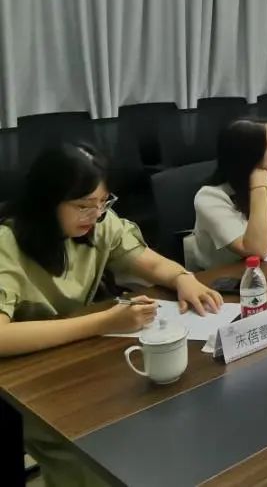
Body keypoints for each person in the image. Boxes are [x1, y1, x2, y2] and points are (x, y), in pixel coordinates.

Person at [0, 143, 222, 485]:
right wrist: (103, 322)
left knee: (157, 426)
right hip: (28, 380)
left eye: (103, 202)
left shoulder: (99, 224)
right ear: (46, 200)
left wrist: (183, 278)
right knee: (95, 462)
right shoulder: (7, 245)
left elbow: (149, 263)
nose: (95, 214)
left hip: (83, 361)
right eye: (83, 205)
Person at [190, 118, 267, 270]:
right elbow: (256, 251)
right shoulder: (210, 198)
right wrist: (259, 188)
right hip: (229, 277)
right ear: (252, 160)